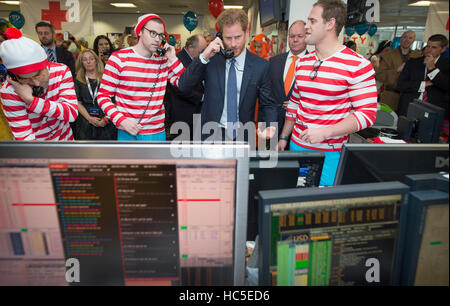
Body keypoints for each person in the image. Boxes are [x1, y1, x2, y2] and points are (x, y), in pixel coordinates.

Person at [277, 0, 377, 186]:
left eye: (312, 21)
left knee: (321, 206)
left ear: (330, 24)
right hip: (296, 146)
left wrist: (325, 132)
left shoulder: (357, 65)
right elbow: (294, 104)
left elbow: (367, 114)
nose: (306, 26)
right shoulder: (302, 62)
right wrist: (284, 137)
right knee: (293, 202)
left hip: (329, 153)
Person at [177, 9, 277, 142]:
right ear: (220, 36)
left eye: (238, 37)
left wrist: (270, 132)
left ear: (246, 33)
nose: (233, 44)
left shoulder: (261, 66)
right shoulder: (211, 59)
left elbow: (268, 104)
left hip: (243, 135)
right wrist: (204, 57)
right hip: (209, 134)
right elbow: (183, 86)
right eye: (228, 38)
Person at [97, 13, 184, 141]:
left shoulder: (163, 60)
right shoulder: (118, 58)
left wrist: (173, 58)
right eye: (152, 33)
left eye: (160, 35)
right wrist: (122, 120)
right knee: (128, 162)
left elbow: (184, 83)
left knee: (156, 162)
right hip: (126, 130)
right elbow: (103, 96)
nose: (157, 39)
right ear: (140, 32)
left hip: (156, 131)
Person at [0, 28, 77, 141]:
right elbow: (25, 138)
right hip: (36, 151)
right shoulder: (9, 90)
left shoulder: (61, 71)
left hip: (66, 142)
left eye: (38, 75)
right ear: (14, 77)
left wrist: (31, 100)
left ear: (46, 65)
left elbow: (71, 113)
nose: (36, 82)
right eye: (27, 79)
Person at [269, 20, 308, 141]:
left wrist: (298, 105)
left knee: (292, 160)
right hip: (270, 124)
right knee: (265, 157)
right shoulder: (273, 62)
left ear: (307, 37)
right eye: (292, 36)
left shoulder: (314, 64)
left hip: (299, 128)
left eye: (300, 36)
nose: (295, 40)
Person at [165, 34, 207, 140]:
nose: (203, 54)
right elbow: (180, 88)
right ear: (191, 47)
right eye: (201, 51)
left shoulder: (196, 59)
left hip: (197, 112)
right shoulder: (176, 60)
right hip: (183, 113)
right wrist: (201, 97)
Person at [397, 34, 449, 117]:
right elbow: (401, 85)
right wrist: (423, 84)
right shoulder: (412, 62)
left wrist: (432, 69)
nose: (429, 50)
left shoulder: (446, 65)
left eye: (434, 47)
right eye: (428, 46)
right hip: (409, 107)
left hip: (433, 111)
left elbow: (446, 85)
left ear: (443, 49)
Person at [73, 49, 117, 140]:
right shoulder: (77, 80)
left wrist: (106, 119)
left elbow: (115, 101)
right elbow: (78, 102)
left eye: (91, 58)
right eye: (85, 60)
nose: (88, 62)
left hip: (106, 120)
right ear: (81, 63)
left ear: (96, 61)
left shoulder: (107, 77)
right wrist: (89, 119)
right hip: (86, 122)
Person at [375, 30, 422, 111]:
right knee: (387, 120)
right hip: (390, 95)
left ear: (413, 40)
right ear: (400, 39)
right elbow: (379, 75)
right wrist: (396, 70)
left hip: (409, 97)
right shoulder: (388, 55)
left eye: (410, 38)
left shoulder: (418, 56)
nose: (407, 40)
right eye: (404, 37)